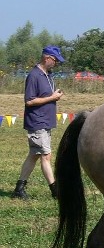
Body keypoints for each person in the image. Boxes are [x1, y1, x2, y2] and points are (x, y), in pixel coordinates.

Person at [11, 45, 65, 199]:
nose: (55, 63)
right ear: (46, 57)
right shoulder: (34, 76)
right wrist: (52, 98)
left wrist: (54, 96)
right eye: (54, 60)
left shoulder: (48, 75)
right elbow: (29, 101)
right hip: (37, 121)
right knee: (46, 156)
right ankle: (55, 191)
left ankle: (19, 189)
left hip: (45, 121)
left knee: (34, 155)